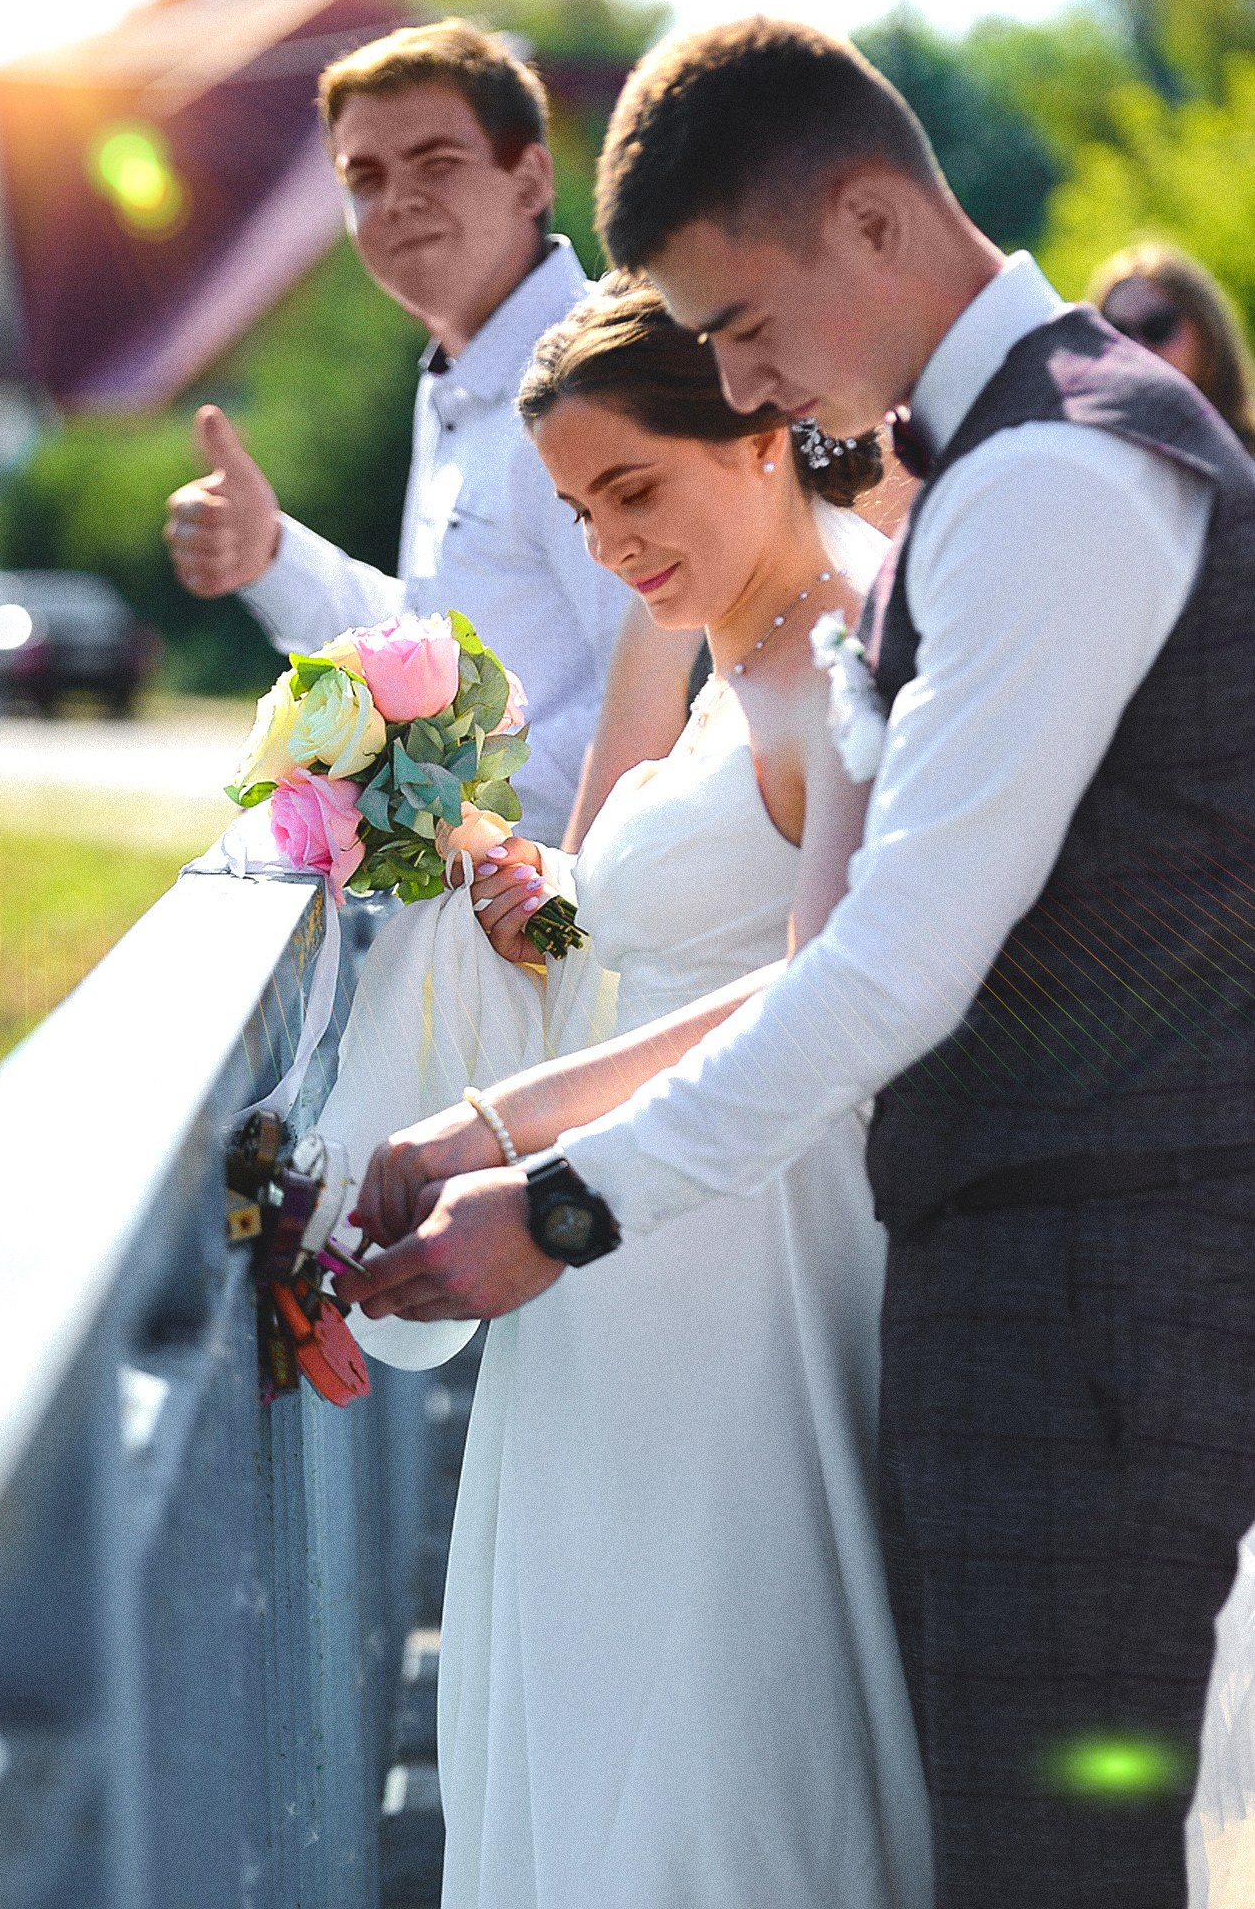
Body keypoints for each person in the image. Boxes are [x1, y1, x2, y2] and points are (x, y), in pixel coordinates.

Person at [347, 19, 1255, 1909]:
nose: (752, 382)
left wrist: (561, 1203)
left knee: (1047, 1867)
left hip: (1095, 1293)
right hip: (1028, 1275)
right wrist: (507, 1121)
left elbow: (889, 967)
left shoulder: (1054, 480)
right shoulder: (1011, 464)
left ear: (865, 216)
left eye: (742, 326)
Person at [318, 273, 932, 1908]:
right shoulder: (739, 654)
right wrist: (549, 898)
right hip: (618, 1257)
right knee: (590, 1706)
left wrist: (506, 1123)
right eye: (580, 511)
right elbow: (692, 917)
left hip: (730, 1258)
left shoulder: (838, 657)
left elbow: (821, 973)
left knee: (709, 1721)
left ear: (756, 430)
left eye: (630, 492)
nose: (606, 549)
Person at [164, 17, 695, 843]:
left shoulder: (603, 381)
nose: (397, 200)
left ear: (529, 177)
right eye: (363, 177)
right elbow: (431, 646)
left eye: (436, 163)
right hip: (499, 901)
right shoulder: (458, 378)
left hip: (578, 916)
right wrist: (267, 552)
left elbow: (658, 696)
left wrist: (421, 800)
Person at [1091, 240, 1255, 451]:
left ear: (1205, 326)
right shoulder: (1099, 452)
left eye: (1158, 326)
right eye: (1118, 334)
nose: (1138, 348)